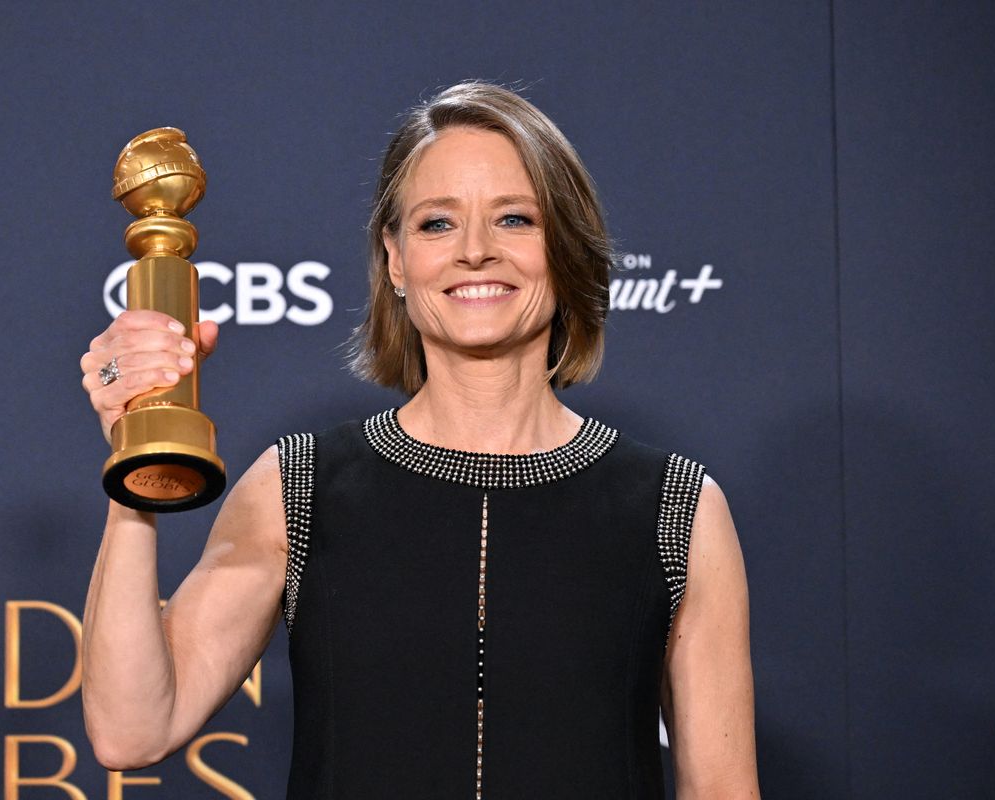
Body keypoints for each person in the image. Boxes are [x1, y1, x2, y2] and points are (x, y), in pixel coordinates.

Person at [79, 81, 759, 799]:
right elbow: (133, 729)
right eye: (437, 223)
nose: (474, 252)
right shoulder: (299, 487)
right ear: (396, 260)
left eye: (515, 219)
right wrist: (135, 467)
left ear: (564, 249)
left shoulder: (676, 507)